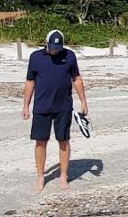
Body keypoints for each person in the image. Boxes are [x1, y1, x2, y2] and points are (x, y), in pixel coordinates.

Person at [22, 29, 88, 192]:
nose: (54, 50)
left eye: (57, 48)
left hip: (63, 106)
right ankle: (40, 177)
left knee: (63, 140)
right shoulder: (35, 57)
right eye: (52, 47)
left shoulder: (69, 56)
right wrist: (26, 105)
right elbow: (30, 82)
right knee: (40, 142)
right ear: (46, 43)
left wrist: (83, 101)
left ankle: (63, 176)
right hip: (41, 107)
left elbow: (76, 79)